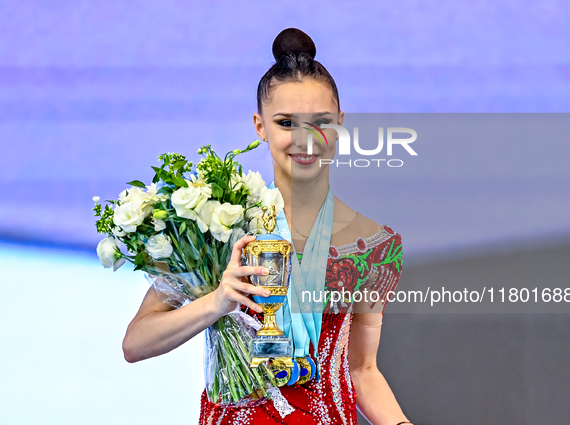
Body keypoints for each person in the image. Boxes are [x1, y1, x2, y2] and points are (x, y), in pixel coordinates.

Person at [122, 28, 412, 425]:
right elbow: (135, 344)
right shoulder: (217, 225)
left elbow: (362, 371)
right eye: (286, 122)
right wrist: (217, 301)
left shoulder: (375, 247)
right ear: (260, 126)